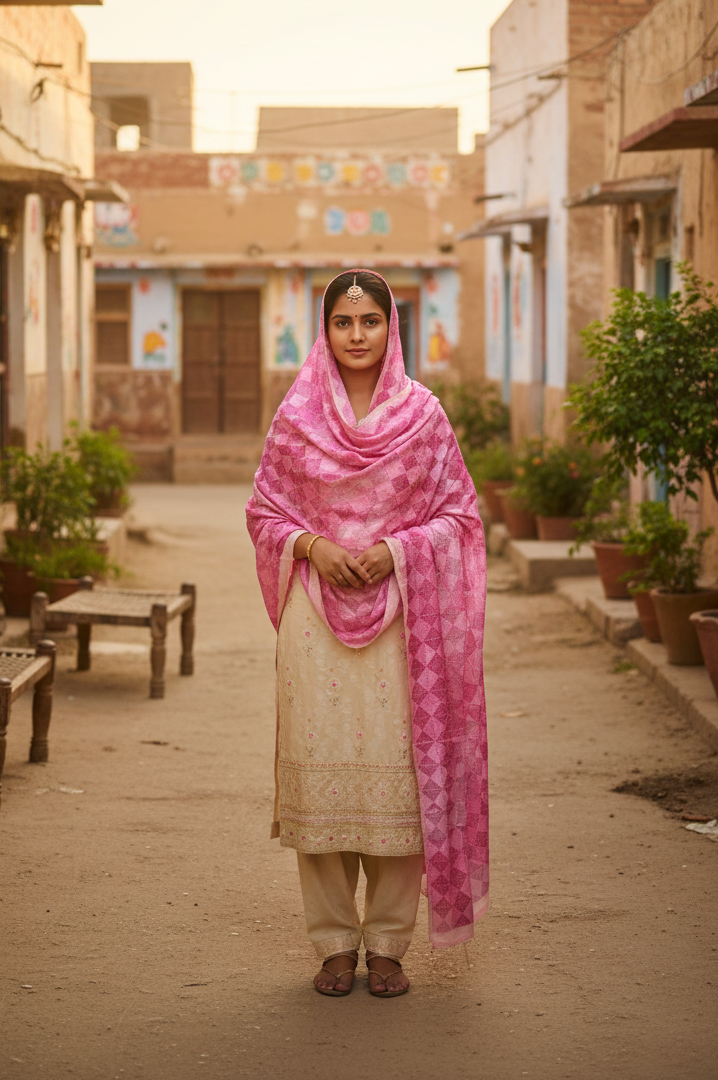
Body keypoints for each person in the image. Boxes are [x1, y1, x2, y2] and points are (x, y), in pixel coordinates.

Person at [246, 269, 488, 998]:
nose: (356, 336)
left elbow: (462, 519)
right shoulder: (296, 418)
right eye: (343, 323)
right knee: (321, 784)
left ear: (392, 328)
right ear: (324, 331)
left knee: (401, 784)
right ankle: (331, 944)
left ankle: (387, 942)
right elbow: (264, 512)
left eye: (370, 322)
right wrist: (314, 548)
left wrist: (395, 552)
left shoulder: (425, 416)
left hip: (403, 623)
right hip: (315, 618)